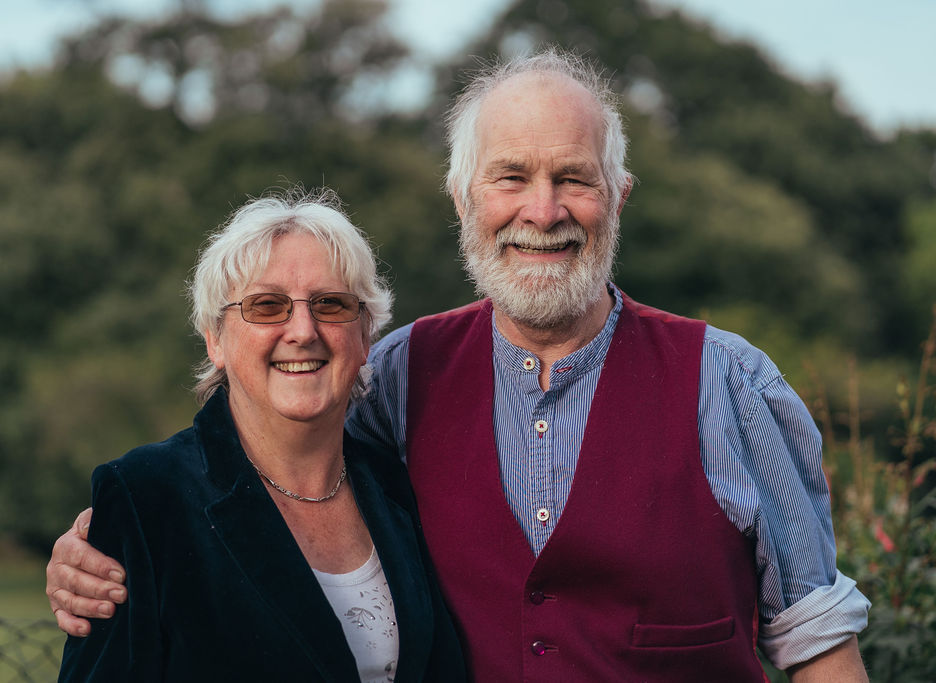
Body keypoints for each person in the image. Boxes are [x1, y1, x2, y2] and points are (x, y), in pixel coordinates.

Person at [48, 50, 870, 680]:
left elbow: (819, 644)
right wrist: (98, 546)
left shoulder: (728, 384)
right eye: (510, 176)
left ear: (617, 196)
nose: (541, 211)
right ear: (463, 198)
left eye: (572, 179)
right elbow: (258, 446)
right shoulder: (397, 381)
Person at [56, 190, 465, 682]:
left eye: (331, 304)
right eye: (267, 306)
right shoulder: (147, 497)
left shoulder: (396, 486)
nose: (302, 330)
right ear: (215, 339)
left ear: (365, 338)